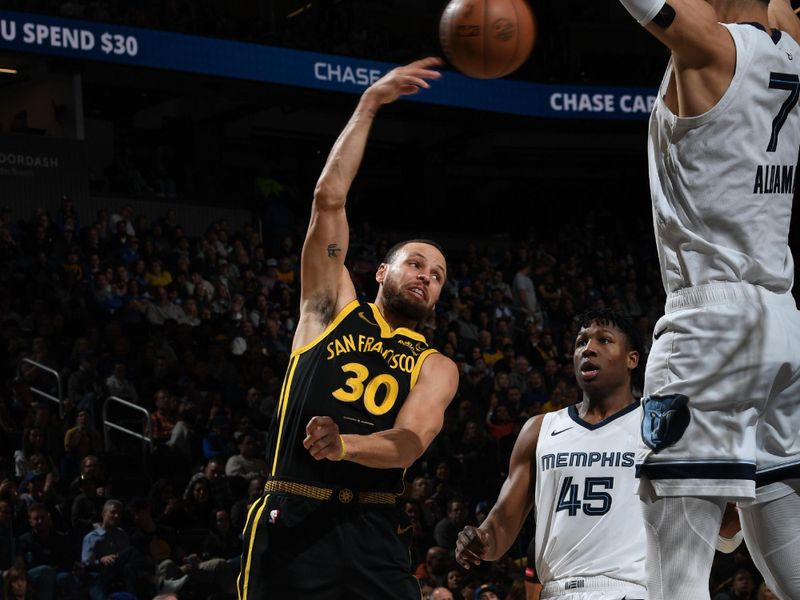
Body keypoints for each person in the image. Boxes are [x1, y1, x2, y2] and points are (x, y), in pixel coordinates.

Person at [237, 57, 458, 599]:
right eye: (415, 264)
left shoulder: (437, 366)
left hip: (373, 529)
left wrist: (346, 447)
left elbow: (407, 443)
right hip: (293, 511)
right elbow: (328, 199)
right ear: (381, 272)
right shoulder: (329, 308)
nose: (426, 276)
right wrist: (370, 103)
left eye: (437, 275)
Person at [613, 0, 800, 598]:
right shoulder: (792, 47)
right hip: (783, 323)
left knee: (676, 580)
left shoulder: (710, 48)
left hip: (710, 325)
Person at [456, 309, 648, 599]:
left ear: (631, 359)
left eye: (604, 341)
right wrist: (480, 539)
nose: (589, 349)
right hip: (557, 590)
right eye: (581, 342)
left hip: (630, 589)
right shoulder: (539, 429)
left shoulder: (655, 423)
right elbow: (502, 523)